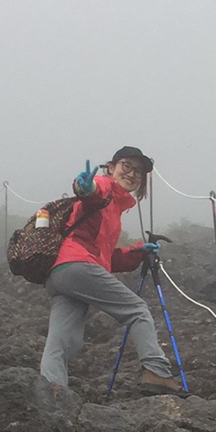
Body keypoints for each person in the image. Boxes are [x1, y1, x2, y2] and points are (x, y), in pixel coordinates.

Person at [39, 145, 184, 395]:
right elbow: (91, 190)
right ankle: (157, 372)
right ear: (111, 168)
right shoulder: (104, 188)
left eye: (138, 171)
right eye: (126, 166)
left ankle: (51, 395)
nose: (132, 174)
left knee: (62, 343)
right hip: (77, 266)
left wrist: (137, 251)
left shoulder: (115, 208)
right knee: (137, 310)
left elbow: (104, 258)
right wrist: (85, 187)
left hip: (61, 274)